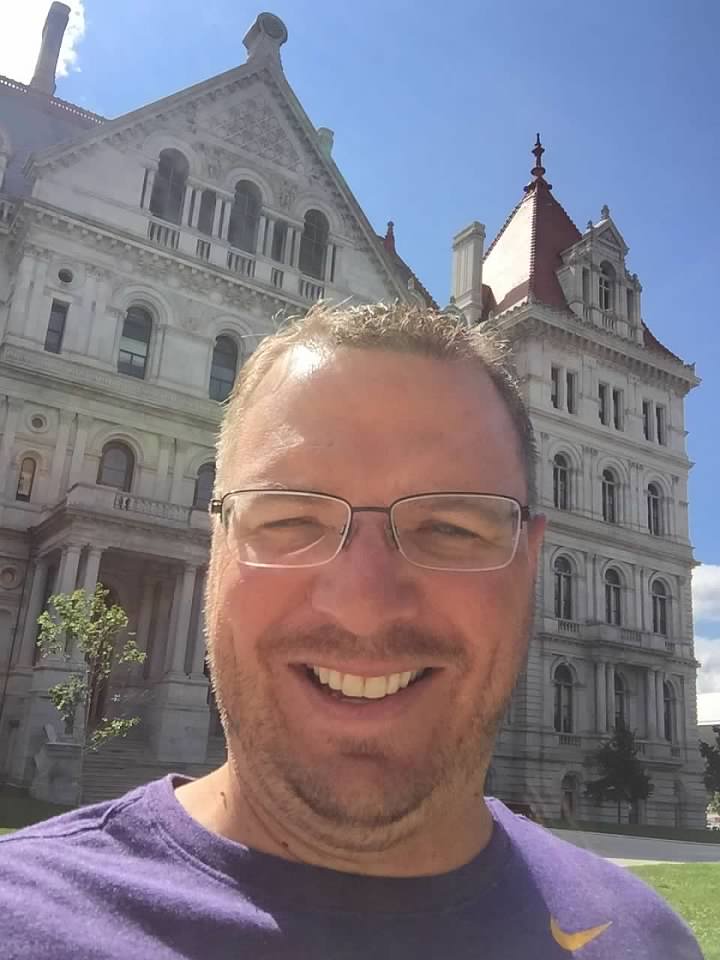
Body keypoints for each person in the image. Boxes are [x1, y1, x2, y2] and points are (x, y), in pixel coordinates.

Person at [0, 303, 702, 958]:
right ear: (216, 545)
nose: (364, 606)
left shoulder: (647, 942)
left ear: (529, 562)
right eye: (289, 518)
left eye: (451, 527)